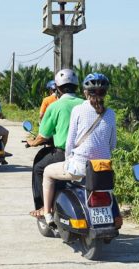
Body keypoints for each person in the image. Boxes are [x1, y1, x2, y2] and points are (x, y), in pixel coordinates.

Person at [41, 73, 116, 225]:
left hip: (79, 168)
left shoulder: (78, 110)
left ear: (85, 92)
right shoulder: (111, 114)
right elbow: (112, 144)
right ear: (105, 93)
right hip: (102, 170)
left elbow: (70, 142)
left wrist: (68, 159)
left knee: (47, 172)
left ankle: (47, 214)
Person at [27, 69, 84, 217]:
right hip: (85, 155)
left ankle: (43, 207)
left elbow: (43, 135)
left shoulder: (55, 106)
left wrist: (33, 142)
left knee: (39, 168)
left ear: (58, 88)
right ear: (77, 87)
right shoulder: (85, 104)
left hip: (63, 154)